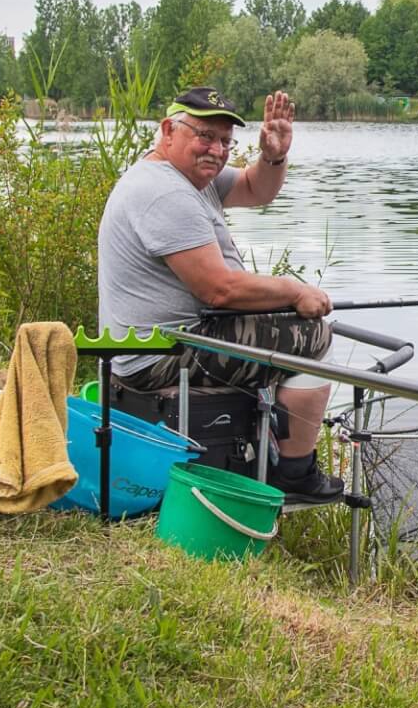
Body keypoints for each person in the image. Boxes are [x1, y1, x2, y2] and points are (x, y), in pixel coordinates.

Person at [97, 87, 342, 500]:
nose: (216, 149)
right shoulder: (165, 192)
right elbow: (220, 290)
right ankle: (295, 472)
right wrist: (294, 291)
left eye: (226, 141)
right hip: (161, 354)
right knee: (315, 338)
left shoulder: (190, 176)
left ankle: (277, 452)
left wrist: (273, 156)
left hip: (167, 339)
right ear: (168, 131)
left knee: (291, 328)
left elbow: (256, 189)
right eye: (205, 135)